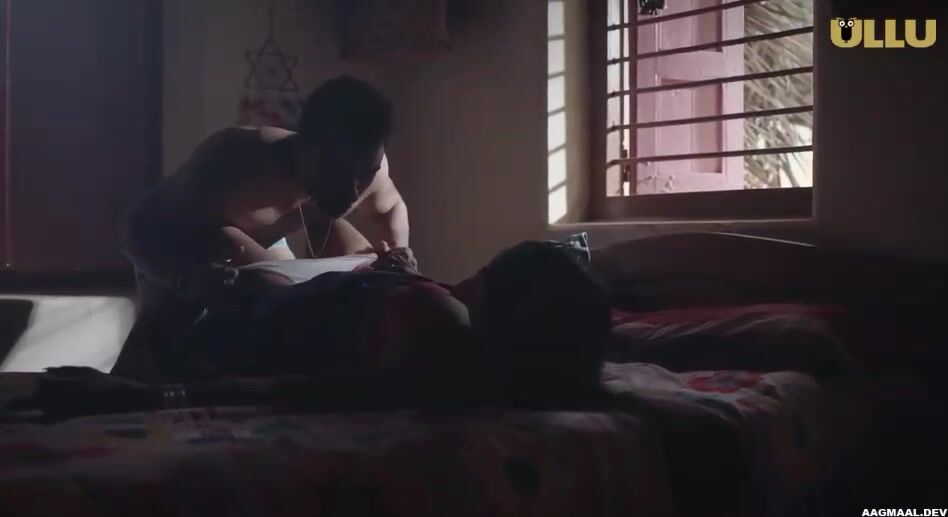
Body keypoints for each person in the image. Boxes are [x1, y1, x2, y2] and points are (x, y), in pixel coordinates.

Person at [27, 241, 613, 418]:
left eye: (485, 269)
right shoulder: (441, 317)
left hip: (210, 338)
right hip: (256, 308)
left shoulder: (440, 326)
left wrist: (150, 398)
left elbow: (306, 390)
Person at [117, 76, 411, 379]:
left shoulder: (367, 169)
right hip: (185, 246)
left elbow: (391, 208)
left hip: (267, 239)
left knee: (379, 275)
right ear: (306, 149)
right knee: (157, 351)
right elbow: (136, 226)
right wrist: (182, 279)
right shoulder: (231, 161)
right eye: (341, 175)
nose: (354, 191)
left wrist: (399, 252)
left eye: (366, 174)